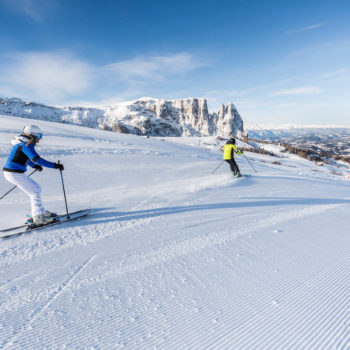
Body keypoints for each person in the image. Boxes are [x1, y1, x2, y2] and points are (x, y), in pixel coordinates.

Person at [3, 125, 64, 225]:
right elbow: (38, 159)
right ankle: (38, 217)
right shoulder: (26, 145)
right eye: (39, 137)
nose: (39, 140)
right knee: (34, 191)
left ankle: (41, 212)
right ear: (33, 135)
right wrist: (55, 166)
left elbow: (25, 158)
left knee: (36, 188)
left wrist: (34, 166)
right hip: (13, 173)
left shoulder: (23, 144)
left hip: (13, 172)